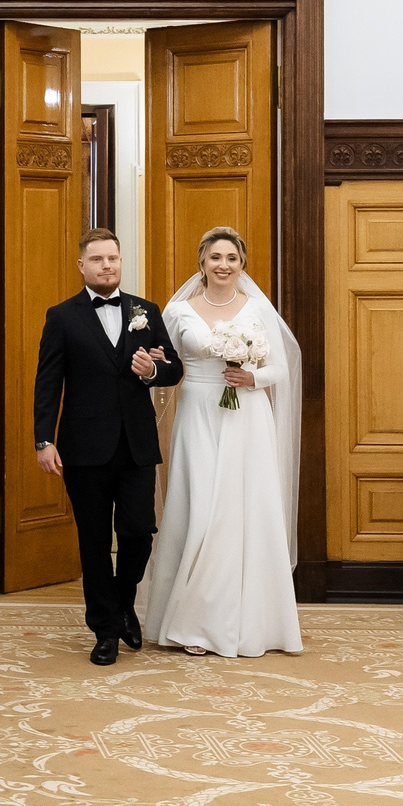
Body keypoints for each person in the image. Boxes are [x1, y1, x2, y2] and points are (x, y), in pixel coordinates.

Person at [142, 227, 303, 659]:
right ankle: (190, 619)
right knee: (200, 508)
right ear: (202, 262)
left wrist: (253, 378)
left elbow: (281, 369)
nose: (223, 265)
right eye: (215, 257)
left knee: (239, 510)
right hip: (197, 413)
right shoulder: (178, 311)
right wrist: (154, 365)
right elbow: (168, 366)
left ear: (241, 264)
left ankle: (246, 620)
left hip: (246, 417)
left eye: (231, 257)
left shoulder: (256, 309)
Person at [32, 229, 184, 665]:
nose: (107, 266)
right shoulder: (61, 316)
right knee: (94, 541)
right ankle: (105, 630)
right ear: (82, 266)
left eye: (113, 258)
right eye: (97, 259)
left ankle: (123, 602)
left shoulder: (145, 311)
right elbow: (48, 383)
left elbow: (173, 369)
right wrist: (44, 440)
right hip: (83, 448)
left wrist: (152, 369)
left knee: (138, 532)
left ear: (120, 262)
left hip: (136, 445)